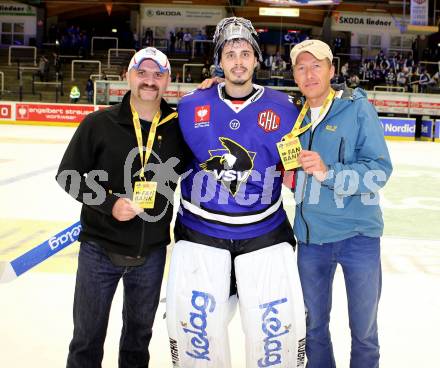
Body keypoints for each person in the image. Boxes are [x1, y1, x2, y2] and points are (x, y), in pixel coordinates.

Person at [166, 17, 306, 368]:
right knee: (199, 336)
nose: (238, 61)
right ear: (220, 60)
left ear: (257, 59)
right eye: (230, 54)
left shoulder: (285, 109)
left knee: (272, 336)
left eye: (246, 53)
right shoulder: (190, 106)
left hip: (264, 234)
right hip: (201, 234)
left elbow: (295, 169)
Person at [56, 47, 188, 368]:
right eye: (141, 73)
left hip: (151, 254)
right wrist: (109, 203)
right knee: (86, 341)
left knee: (137, 343)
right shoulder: (99, 123)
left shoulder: (178, 128)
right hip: (98, 251)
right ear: (128, 76)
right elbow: (68, 176)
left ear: (168, 80)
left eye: (158, 75)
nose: (149, 81)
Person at [290, 39, 393, 368]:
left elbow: (379, 170)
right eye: (301, 67)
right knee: (314, 329)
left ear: (332, 70)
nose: (309, 74)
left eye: (316, 66)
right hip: (311, 241)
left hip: (358, 237)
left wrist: (327, 172)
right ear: (294, 75)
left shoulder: (357, 107)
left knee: (364, 332)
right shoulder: (295, 116)